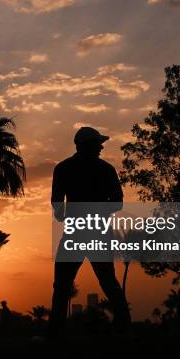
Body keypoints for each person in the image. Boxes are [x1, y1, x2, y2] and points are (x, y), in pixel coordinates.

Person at [48, 127, 131, 337]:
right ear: (86, 146)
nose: (101, 147)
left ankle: (55, 332)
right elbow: (118, 204)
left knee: (62, 285)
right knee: (108, 282)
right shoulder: (106, 169)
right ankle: (124, 328)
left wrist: (67, 216)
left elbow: (57, 206)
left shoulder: (63, 168)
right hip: (97, 232)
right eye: (97, 144)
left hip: (75, 232)